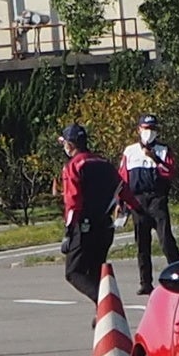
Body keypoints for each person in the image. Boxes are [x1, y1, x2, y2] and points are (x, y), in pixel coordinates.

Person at [57, 121, 118, 301]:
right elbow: (121, 187)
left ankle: (106, 303)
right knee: (96, 270)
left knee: (74, 272)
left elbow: (72, 201)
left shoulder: (74, 166)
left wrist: (69, 231)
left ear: (70, 144)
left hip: (84, 226)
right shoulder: (104, 162)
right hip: (105, 225)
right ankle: (103, 317)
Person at [121, 113, 179, 289]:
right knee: (142, 244)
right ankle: (145, 282)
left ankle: (178, 274)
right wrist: (121, 202)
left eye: (153, 129)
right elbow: (123, 177)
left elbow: (169, 172)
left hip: (157, 199)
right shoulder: (129, 151)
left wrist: (154, 157)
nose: (149, 132)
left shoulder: (163, 150)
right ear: (139, 129)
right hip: (137, 201)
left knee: (165, 240)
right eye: (146, 129)